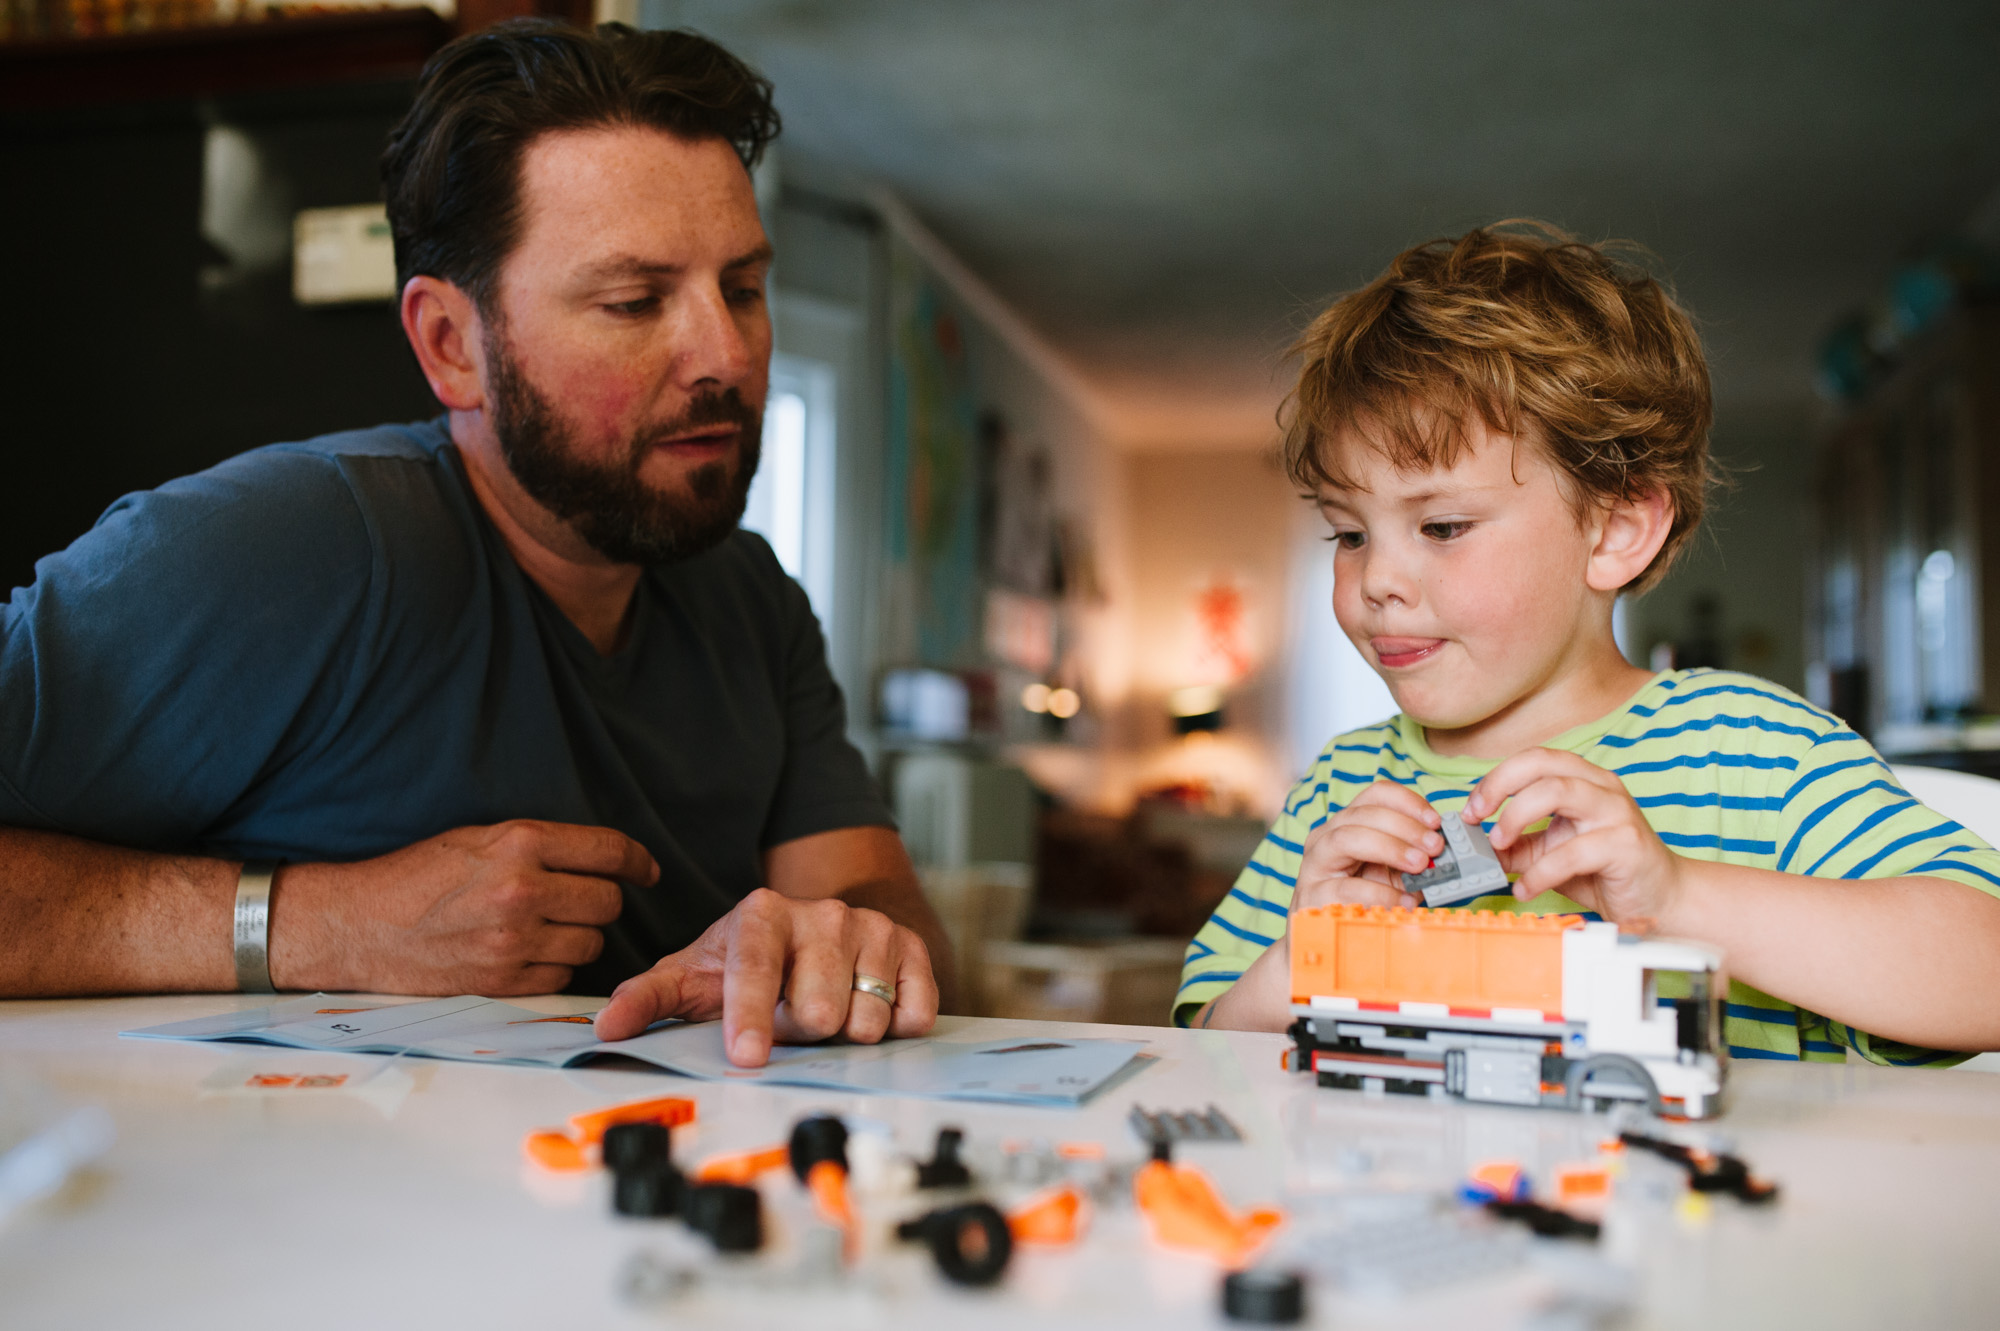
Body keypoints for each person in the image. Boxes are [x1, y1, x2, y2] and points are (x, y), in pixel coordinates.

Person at [0, 20, 951, 1068]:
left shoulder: (752, 598)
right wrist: (321, 922)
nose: (724, 354)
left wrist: (841, 943)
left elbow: (881, 915)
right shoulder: (286, 549)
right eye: (634, 301)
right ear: (451, 345)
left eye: (741, 288)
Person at [1181, 222, 2000, 1063]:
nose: (1377, 579)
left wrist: (1677, 893)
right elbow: (1199, 1048)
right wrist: (1298, 969)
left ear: (1614, 531)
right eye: (1348, 535)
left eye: (1443, 524)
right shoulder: (1339, 792)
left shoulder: (1753, 752)